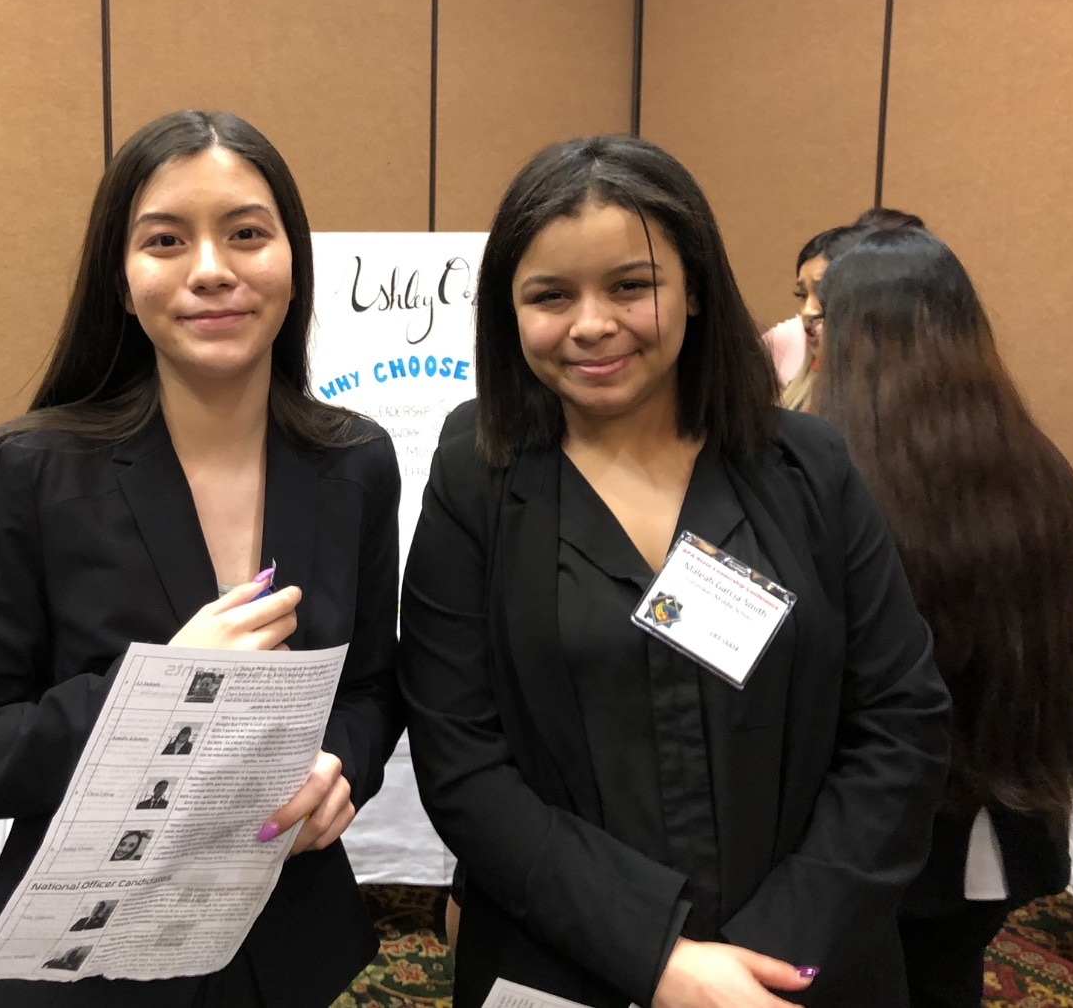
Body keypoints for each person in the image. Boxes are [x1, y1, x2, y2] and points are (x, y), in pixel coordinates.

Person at [399, 136, 952, 1008]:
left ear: (694, 287)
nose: (591, 324)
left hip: (804, 967)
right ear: (509, 310)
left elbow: (901, 719)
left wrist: (772, 953)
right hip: (561, 961)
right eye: (550, 295)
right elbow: (459, 759)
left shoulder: (809, 467)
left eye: (630, 285)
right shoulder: (475, 476)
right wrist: (662, 960)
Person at [0, 110, 404, 1008]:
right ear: (121, 282)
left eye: (247, 234)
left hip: (280, 945)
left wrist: (340, 769)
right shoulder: (35, 469)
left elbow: (370, 687)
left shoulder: (354, 462)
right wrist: (166, 687)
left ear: (293, 261)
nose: (212, 270)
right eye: (166, 240)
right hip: (81, 959)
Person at [814, 227, 1073, 1008]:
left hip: (875, 827)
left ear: (857, 337)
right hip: (1001, 819)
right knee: (945, 980)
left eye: (818, 315)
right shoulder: (1043, 473)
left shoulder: (836, 483)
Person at [766, 208, 924, 402]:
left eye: (824, 292)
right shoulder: (790, 349)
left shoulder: (906, 392)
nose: (808, 311)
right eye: (802, 295)